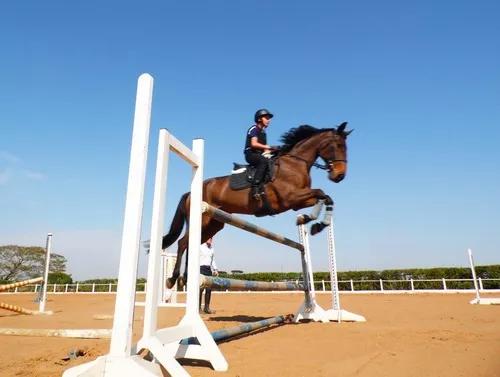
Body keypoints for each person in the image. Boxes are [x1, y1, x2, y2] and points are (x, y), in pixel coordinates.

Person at [244, 108, 276, 200]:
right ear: (259, 119)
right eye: (266, 118)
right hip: (250, 154)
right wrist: (268, 147)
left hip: (258, 154)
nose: (269, 120)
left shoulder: (263, 132)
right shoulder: (254, 129)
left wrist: (273, 151)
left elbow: (264, 150)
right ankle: (255, 187)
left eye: (269, 118)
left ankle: (264, 186)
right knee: (263, 161)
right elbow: (254, 144)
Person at [199, 237, 218, 314]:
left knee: (209, 289)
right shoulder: (200, 246)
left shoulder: (212, 249)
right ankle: (198, 308)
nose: (210, 239)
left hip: (208, 269)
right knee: (200, 289)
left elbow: (212, 260)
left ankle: (207, 308)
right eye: (209, 237)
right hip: (200, 268)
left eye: (211, 238)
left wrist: (215, 269)